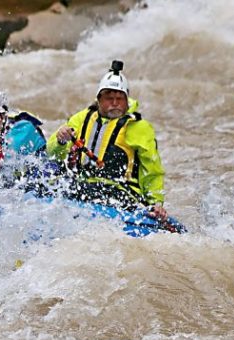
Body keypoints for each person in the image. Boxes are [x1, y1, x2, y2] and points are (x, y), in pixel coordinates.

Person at [46, 60, 168, 221]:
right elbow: (52, 153)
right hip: (84, 185)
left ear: (127, 100)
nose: (115, 103)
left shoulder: (139, 128)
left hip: (121, 192)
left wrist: (156, 203)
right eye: (109, 98)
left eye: (120, 98)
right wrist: (61, 140)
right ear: (99, 100)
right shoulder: (82, 118)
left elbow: (152, 171)